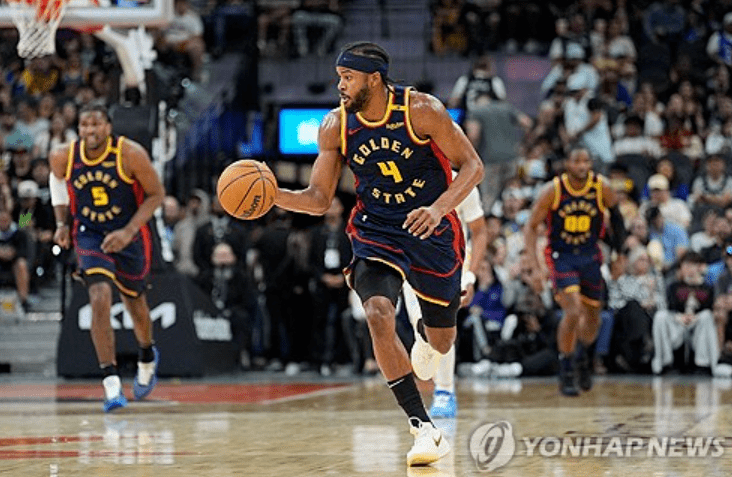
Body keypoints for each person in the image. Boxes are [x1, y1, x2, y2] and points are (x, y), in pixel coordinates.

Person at [274, 41, 483, 466]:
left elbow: (473, 166)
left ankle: (425, 333)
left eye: (347, 77)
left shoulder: (421, 110)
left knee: (443, 341)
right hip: (377, 230)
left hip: (430, 230)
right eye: (339, 77)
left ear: (374, 79)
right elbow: (318, 199)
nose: (340, 85)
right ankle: (423, 428)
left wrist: (438, 208)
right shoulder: (336, 125)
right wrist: (272, 195)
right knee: (377, 312)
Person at [49, 103, 165, 412]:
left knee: (136, 305)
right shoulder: (63, 155)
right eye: (84, 125)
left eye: (96, 124)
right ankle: (111, 382)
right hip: (89, 233)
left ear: (108, 127)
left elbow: (157, 194)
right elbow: (56, 181)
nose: (90, 130)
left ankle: (146, 354)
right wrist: (61, 223)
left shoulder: (130, 154)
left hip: (128, 233)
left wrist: (128, 231)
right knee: (99, 296)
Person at [524, 148, 625, 396]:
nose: (582, 165)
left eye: (586, 161)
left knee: (592, 319)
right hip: (562, 257)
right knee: (572, 310)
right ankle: (566, 368)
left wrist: (619, 255)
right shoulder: (554, 190)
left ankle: (582, 356)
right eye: (577, 161)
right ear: (567, 164)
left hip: (590, 256)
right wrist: (535, 268)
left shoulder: (601, 187)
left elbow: (618, 219)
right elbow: (531, 226)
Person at [402, 177, 488, 418]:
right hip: (412, 261)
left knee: (441, 323)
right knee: (420, 323)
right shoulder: (405, 176)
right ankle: (425, 344)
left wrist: (470, 276)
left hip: (452, 264)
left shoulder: (463, 181)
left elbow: (479, 232)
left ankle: (445, 390)